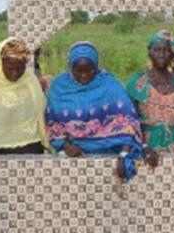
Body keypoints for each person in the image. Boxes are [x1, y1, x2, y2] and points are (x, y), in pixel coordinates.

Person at [45, 41, 144, 180]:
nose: (84, 76)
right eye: (78, 71)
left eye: (89, 70)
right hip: (72, 157)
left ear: (96, 67)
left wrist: (124, 154)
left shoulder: (109, 84)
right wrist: (65, 145)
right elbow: (51, 123)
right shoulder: (59, 87)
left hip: (108, 156)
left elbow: (129, 123)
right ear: (70, 68)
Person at [0, 38, 49, 181]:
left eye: (20, 69)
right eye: (9, 69)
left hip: (30, 150)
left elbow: (40, 117)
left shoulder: (31, 83)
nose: (15, 73)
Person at [125, 30, 174, 168]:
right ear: (149, 53)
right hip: (145, 151)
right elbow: (130, 121)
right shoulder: (136, 83)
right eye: (156, 50)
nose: (161, 54)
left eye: (166, 50)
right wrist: (143, 147)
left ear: (172, 54)